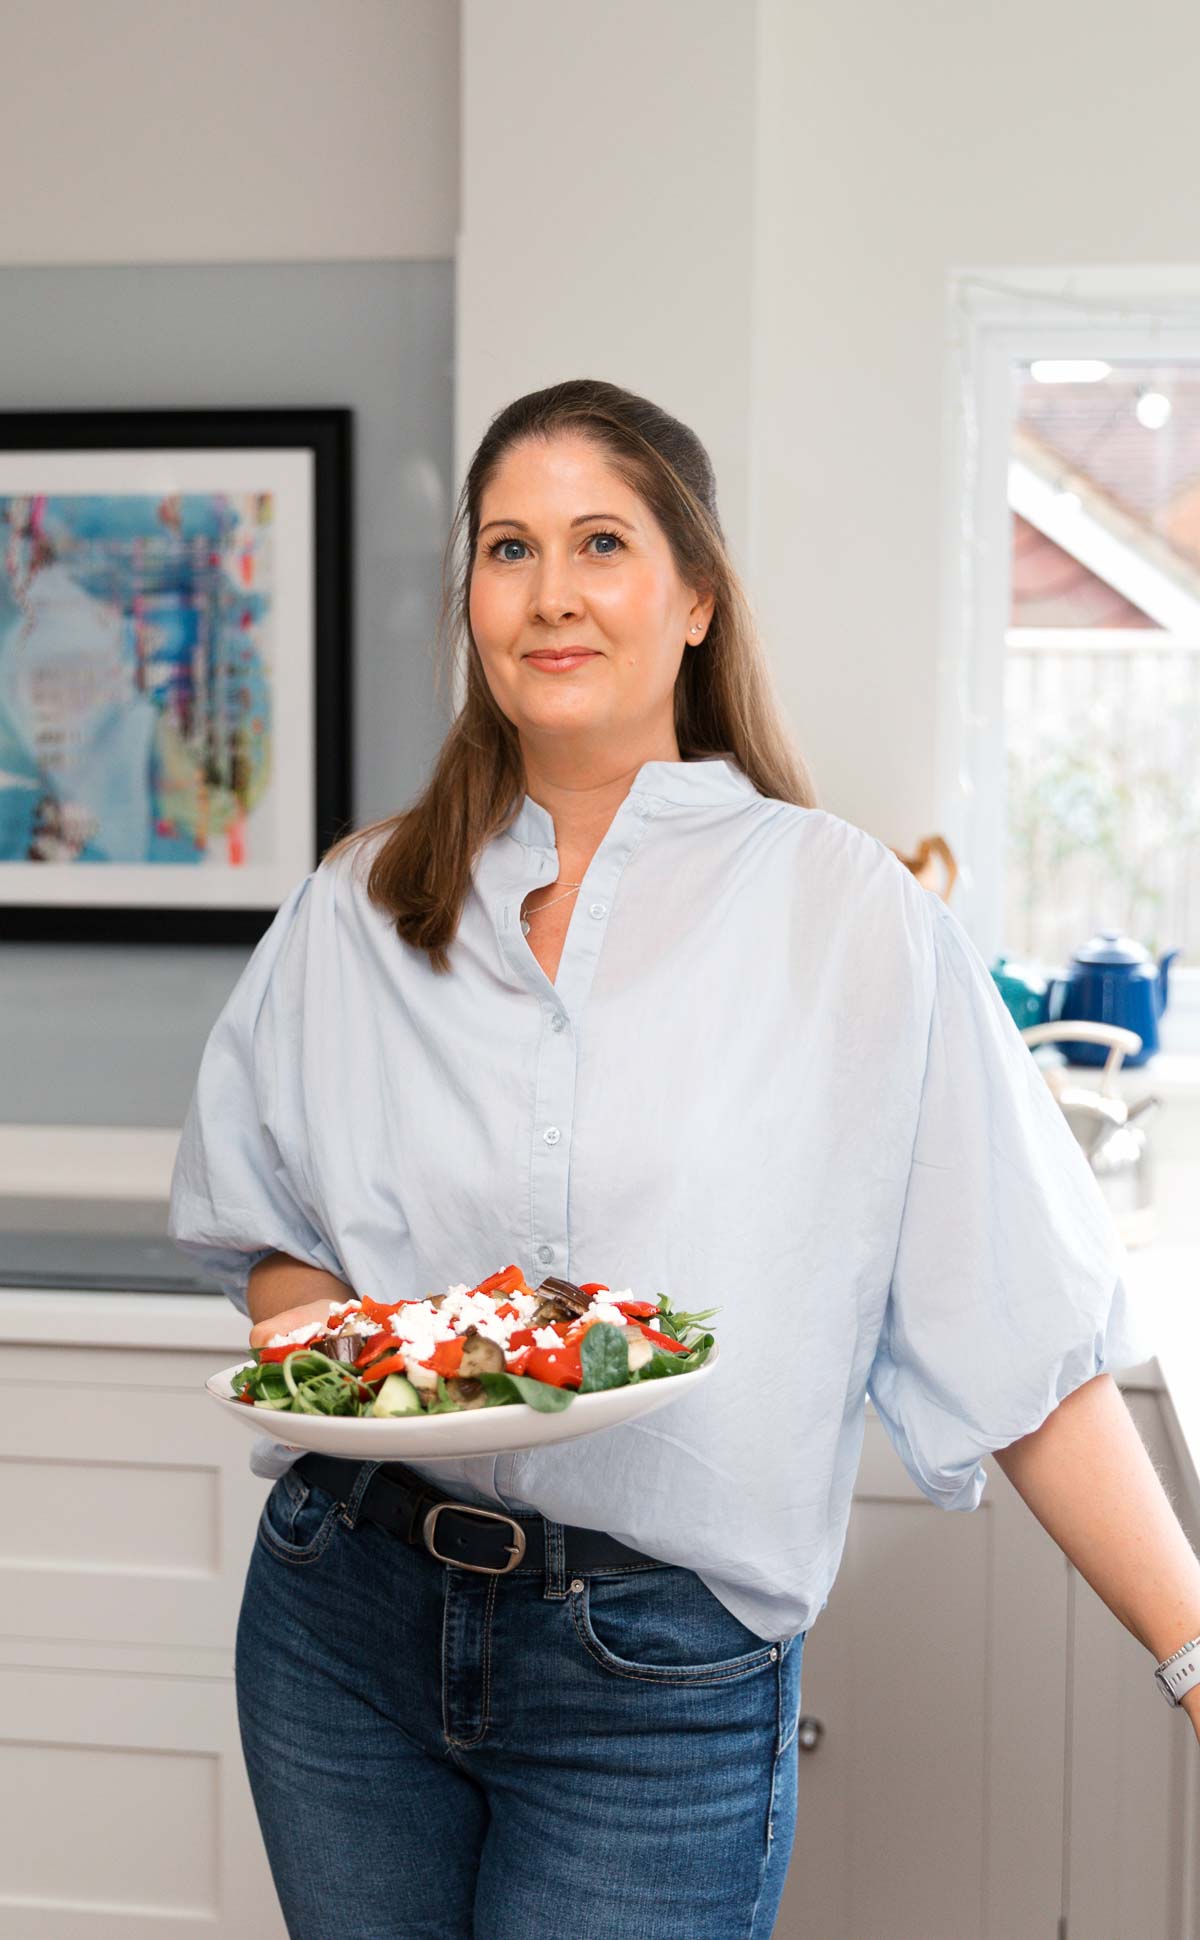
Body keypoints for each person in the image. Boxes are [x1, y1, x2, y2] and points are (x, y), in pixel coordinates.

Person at [168, 377, 1199, 1940]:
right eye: (509, 549)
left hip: (655, 1674)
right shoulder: (359, 904)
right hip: (342, 1619)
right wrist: (346, 1353)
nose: (553, 591)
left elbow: (1027, 1341)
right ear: (472, 600)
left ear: (698, 594)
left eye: (602, 542)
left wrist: (1191, 1652)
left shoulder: (854, 923)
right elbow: (275, 1230)